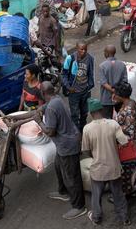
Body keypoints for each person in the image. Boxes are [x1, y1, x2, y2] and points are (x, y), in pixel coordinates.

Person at [35, 82, 87, 219]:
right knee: (59, 168)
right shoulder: (57, 98)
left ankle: (79, 206)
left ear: (42, 93)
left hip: (67, 145)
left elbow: (50, 132)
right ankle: (63, 192)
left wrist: (39, 122)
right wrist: (36, 112)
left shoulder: (52, 107)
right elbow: (42, 108)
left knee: (71, 177)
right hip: (67, 142)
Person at [82, 104, 130, 226]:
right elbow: (124, 142)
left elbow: (85, 150)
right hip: (113, 167)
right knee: (118, 194)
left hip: (98, 169)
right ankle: (124, 218)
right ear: (102, 110)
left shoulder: (87, 129)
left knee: (96, 195)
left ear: (91, 114)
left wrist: (95, 155)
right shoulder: (113, 124)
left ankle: (97, 217)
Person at [113, 82, 136, 197]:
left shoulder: (128, 109)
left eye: (115, 93)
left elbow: (129, 131)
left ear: (121, 95)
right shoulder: (130, 102)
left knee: (129, 167)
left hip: (131, 142)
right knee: (134, 166)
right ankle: (133, 188)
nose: (114, 95)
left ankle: (129, 191)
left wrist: (114, 128)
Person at [62, 42, 95, 131]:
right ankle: (76, 132)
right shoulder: (70, 59)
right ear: (77, 48)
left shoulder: (90, 59)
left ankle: (82, 129)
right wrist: (69, 87)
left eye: (85, 49)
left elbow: (90, 73)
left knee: (84, 112)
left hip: (85, 91)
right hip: (74, 93)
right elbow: (64, 74)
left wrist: (89, 86)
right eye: (81, 49)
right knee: (75, 114)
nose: (83, 51)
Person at [98, 45, 127, 120]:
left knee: (107, 121)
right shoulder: (122, 65)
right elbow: (124, 82)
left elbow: (104, 83)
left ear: (107, 53)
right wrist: (117, 92)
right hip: (119, 98)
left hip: (106, 99)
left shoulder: (102, 66)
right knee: (121, 118)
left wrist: (113, 91)